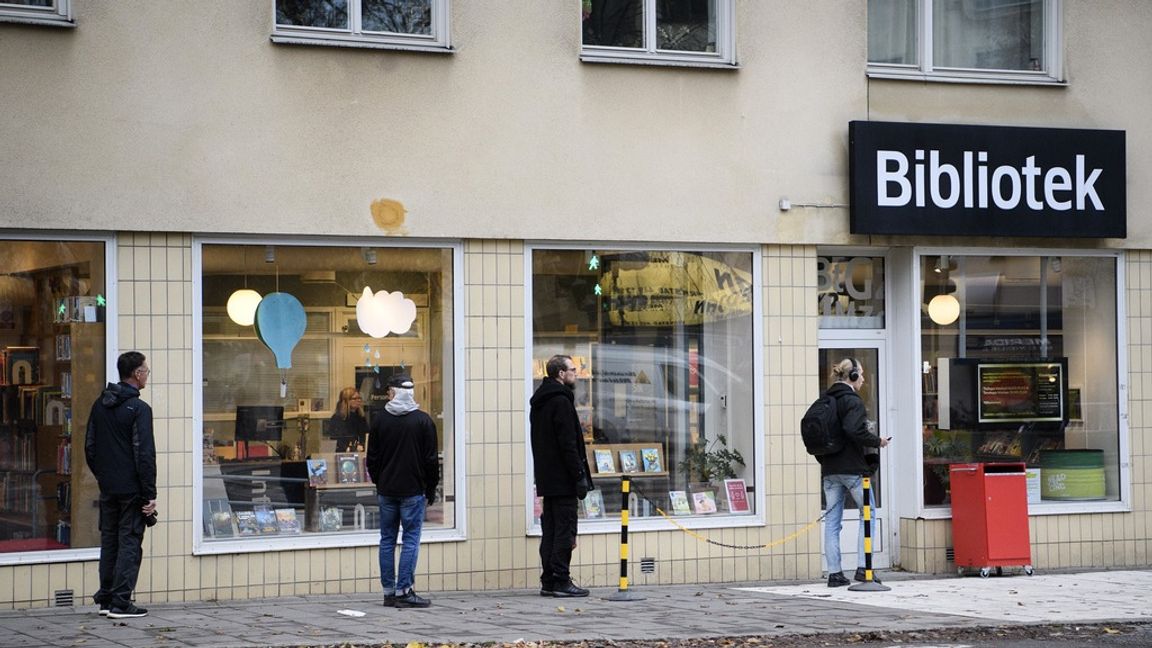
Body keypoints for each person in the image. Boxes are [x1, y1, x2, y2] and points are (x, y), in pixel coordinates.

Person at [85, 351, 157, 619]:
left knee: (110, 541)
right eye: (146, 371)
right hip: (132, 490)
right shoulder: (139, 410)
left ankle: (105, 598)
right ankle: (121, 602)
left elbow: (90, 448)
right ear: (137, 374)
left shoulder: (99, 405)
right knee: (129, 543)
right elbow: (144, 454)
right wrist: (149, 493)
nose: (147, 374)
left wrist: (104, 477)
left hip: (109, 487)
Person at [366, 373, 439, 608]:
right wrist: (431, 488)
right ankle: (404, 590)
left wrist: (380, 481)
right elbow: (431, 461)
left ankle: (389, 592)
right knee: (410, 540)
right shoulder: (423, 421)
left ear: (394, 393)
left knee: (387, 539)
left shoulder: (380, 420)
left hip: (387, 489)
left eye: (389, 391)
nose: (387, 394)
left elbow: (372, 459)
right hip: (413, 490)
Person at [817, 357, 889, 588]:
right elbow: (853, 429)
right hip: (853, 470)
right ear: (854, 376)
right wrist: (878, 441)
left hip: (830, 469)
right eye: (862, 375)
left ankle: (835, 573)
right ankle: (863, 568)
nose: (864, 379)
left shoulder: (826, 399)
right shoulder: (852, 401)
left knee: (831, 522)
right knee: (867, 515)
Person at [530, 354, 594, 598]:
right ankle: (560, 580)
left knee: (551, 530)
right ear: (560, 374)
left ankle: (548, 580)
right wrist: (578, 475)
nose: (575, 374)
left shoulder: (541, 401)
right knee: (564, 530)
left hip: (548, 478)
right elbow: (569, 443)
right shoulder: (561, 402)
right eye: (573, 370)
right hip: (564, 478)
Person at [328, 387, 368, 452]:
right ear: (346, 401)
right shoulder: (337, 418)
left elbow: (365, 435)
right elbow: (336, 439)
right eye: (354, 398)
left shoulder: (361, 417)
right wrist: (350, 448)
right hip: (343, 452)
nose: (358, 400)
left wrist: (362, 445)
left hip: (360, 451)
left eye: (359, 398)